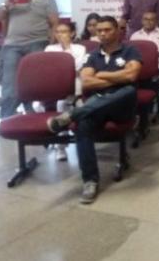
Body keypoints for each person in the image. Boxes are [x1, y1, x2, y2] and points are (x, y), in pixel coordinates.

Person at [46, 16, 141, 204]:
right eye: (99, 31)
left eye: (107, 30)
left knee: (128, 91)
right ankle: (90, 180)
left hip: (122, 108)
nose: (103, 34)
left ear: (117, 31)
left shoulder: (130, 50)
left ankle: (71, 115)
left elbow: (132, 76)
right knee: (83, 125)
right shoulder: (92, 56)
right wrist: (116, 78)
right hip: (97, 105)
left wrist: (103, 74)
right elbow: (87, 81)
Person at [0, 0, 59, 120]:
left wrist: (50, 45)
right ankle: (6, 118)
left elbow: (54, 24)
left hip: (37, 43)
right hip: (12, 45)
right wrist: (6, 6)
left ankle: (35, 111)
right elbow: (0, 17)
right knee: (9, 84)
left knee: (34, 83)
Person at [44, 22, 87, 161]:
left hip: (76, 87)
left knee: (82, 113)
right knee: (60, 109)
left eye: (64, 31)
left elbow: (77, 67)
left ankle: (84, 143)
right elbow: (50, 69)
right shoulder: (50, 48)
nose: (60, 35)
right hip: (57, 88)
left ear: (72, 33)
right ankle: (60, 148)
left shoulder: (80, 48)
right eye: (57, 32)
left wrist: (67, 50)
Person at [130, 11, 159, 88]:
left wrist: (156, 54)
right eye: (146, 19)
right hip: (139, 68)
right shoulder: (135, 35)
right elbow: (130, 55)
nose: (148, 22)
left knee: (156, 80)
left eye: (152, 19)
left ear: (157, 21)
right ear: (142, 21)